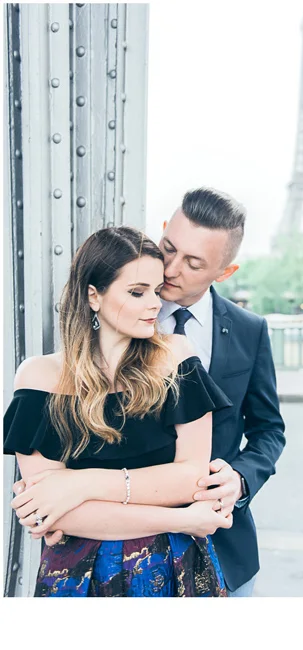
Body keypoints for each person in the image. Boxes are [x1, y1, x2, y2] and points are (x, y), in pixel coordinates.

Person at [18, 187, 286, 597]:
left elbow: (268, 430)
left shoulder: (244, 332)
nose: (172, 270)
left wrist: (239, 479)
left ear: (224, 271)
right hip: (86, 558)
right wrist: (57, 500)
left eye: (193, 263)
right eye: (169, 248)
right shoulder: (103, 314)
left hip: (218, 544)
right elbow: (47, 490)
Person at [4, 226, 233, 596]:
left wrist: (81, 485)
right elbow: (51, 510)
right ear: (93, 295)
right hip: (77, 576)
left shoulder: (176, 357)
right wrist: (182, 519)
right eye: (137, 292)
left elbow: (192, 479)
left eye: (157, 291)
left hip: (173, 569)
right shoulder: (39, 377)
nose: (155, 304)